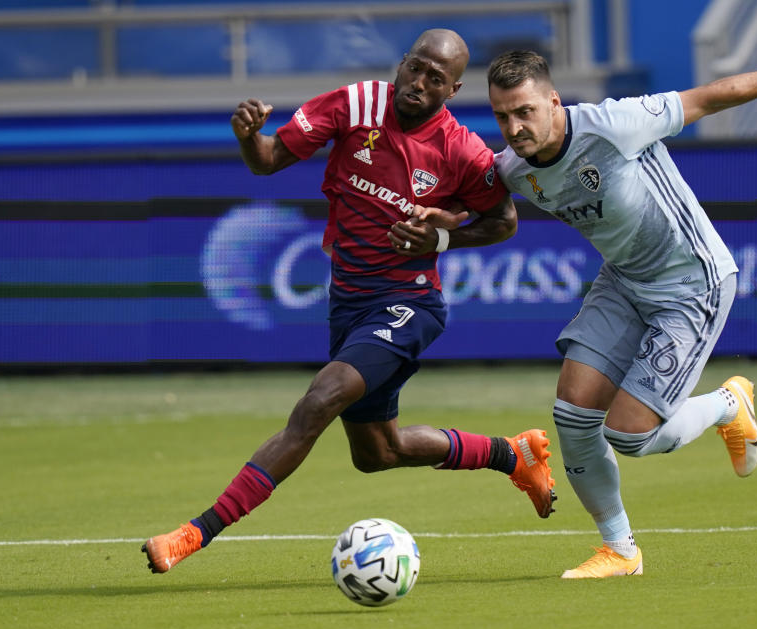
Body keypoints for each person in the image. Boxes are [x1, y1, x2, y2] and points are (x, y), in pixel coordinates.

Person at [142, 29, 556, 575]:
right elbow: (265, 160)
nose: (420, 82)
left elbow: (503, 222)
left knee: (319, 400)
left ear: (452, 90)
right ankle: (512, 455)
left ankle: (193, 534)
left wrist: (442, 238)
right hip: (349, 303)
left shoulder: (460, 151)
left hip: (409, 303)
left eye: (437, 78)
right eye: (416, 68)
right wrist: (249, 136)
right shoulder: (355, 104)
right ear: (402, 64)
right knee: (377, 453)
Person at [478, 42, 757, 578]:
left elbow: (710, 96)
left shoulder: (614, 124)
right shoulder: (514, 169)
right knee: (572, 414)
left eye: (525, 111)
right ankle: (620, 550)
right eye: (502, 115)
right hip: (624, 283)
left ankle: (729, 405)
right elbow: (483, 209)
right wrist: (433, 229)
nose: (515, 126)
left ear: (553, 101)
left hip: (692, 282)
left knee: (631, 435)